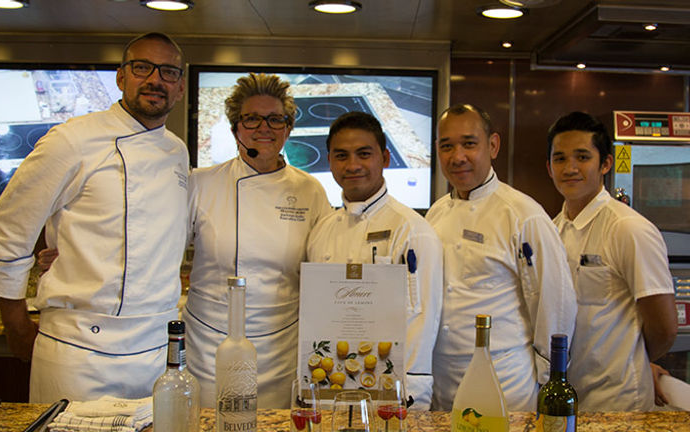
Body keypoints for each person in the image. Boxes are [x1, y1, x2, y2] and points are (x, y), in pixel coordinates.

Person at [0, 32, 190, 403]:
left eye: (168, 72)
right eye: (142, 67)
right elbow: (10, 227)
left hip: (155, 351)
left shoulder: (176, 151)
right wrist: (14, 325)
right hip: (77, 352)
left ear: (180, 87)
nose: (155, 79)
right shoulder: (72, 140)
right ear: (121, 77)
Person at [184, 73, 333, 408]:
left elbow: (325, 268)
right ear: (236, 127)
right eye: (251, 118)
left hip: (280, 351)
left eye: (274, 119)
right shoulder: (202, 184)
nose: (263, 128)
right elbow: (161, 250)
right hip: (210, 346)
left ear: (288, 128)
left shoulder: (310, 190)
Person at [425, 103, 577, 411]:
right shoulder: (435, 214)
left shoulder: (524, 215)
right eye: (447, 146)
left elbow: (555, 305)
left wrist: (547, 381)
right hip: (442, 381)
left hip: (506, 383)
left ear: (493, 145)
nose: (458, 157)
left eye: (469, 143)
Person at [306, 111, 443, 409]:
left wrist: (407, 395)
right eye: (341, 155)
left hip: (391, 393)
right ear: (329, 161)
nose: (352, 165)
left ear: (385, 158)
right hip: (330, 384)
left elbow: (421, 319)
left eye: (364, 154)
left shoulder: (412, 231)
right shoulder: (321, 231)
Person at [546, 111, 677, 411]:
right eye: (560, 159)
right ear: (549, 168)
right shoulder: (553, 229)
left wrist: (640, 361)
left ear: (605, 163)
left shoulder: (627, 228)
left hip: (617, 401)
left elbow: (665, 327)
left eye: (582, 157)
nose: (570, 168)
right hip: (567, 398)